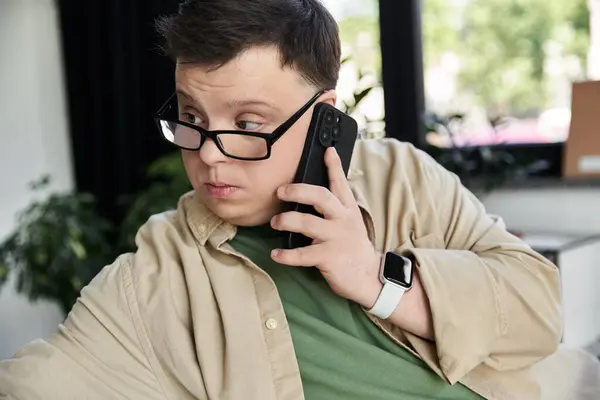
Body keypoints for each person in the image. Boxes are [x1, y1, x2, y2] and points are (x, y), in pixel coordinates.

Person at [0, 1, 563, 399]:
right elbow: (36, 384)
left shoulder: (401, 177)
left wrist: (376, 279)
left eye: (248, 123)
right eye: (192, 118)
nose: (211, 156)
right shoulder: (156, 273)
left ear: (325, 116)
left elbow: (539, 310)